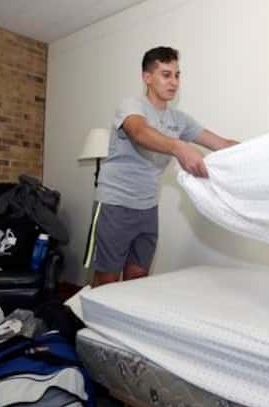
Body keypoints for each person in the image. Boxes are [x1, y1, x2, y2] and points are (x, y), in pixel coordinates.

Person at [84, 46, 238, 287]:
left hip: (147, 208)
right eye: (166, 74)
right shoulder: (132, 106)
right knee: (107, 279)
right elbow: (139, 132)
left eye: (177, 75)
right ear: (147, 77)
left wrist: (262, 153)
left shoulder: (179, 120)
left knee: (137, 278)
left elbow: (222, 143)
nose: (174, 81)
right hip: (115, 204)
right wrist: (178, 147)